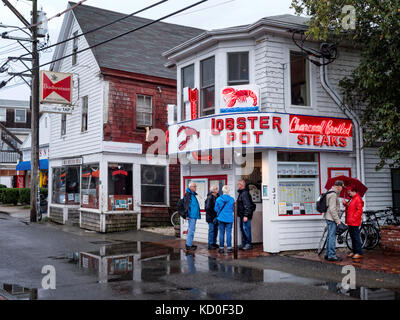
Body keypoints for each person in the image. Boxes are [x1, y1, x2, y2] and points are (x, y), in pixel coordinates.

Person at [324, 180, 344, 261]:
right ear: (338, 186)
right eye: (342, 187)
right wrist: (337, 220)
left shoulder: (330, 192)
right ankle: (331, 255)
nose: (342, 189)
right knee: (332, 237)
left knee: (329, 236)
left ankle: (327, 254)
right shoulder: (333, 194)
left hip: (329, 217)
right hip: (332, 218)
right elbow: (332, 209)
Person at [343, 185, 364, 260]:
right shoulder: (352, 199)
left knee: (356, 237)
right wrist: (345, 204)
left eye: (349, 192)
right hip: (350, 221)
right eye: (348, 192)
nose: (348, 193)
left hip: (354, 221)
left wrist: (353, 218)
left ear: (354, 191)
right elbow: (350, 207)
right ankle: (354, 251)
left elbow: (359, 211)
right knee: (352, 237)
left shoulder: (357, 199)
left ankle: (359, 252)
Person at [214, 185, 235, 254]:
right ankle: (229, 248)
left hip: (221, 218)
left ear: (222, 191)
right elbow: (233, 209)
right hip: (229, 218)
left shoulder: (218, 199)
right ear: (228, 191)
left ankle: (221, 248)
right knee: (229, 233)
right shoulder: (232, 199)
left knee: (221, 233)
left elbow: (216, 209)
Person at [237, 180, 253, 251]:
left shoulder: (245, 194)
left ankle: (248, 244)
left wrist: (246, 215)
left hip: (245, 215)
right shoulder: (241, 193)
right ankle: (244, 243)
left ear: (242, 185)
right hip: (241, 215)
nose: (238, 186)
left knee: (246, 229)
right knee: (242, 229)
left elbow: (247, 205)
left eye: (238, 184)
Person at [183, 182, 201, 251]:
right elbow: (186, 206)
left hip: (194, 215)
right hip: (191, 216)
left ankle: (189, 244)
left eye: (196, 186)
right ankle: (188, 245)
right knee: (191, 230)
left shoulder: (192, 194)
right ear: (190, 187)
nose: (195, 188)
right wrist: (187, 215)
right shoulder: (188, 195)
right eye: (194, 186)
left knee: (192, 230)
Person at [205, 185, 220, 250]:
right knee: (211, 230)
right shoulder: (210, 197)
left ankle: (214, 243)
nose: (217, 189)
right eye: (216, 188)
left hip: (216, 217)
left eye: (217, 188)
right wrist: (214, 215)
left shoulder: (218, 197)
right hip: (211, 217)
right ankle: (210, 244)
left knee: (215, 230)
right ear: (213, 190)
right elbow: (207, 208)